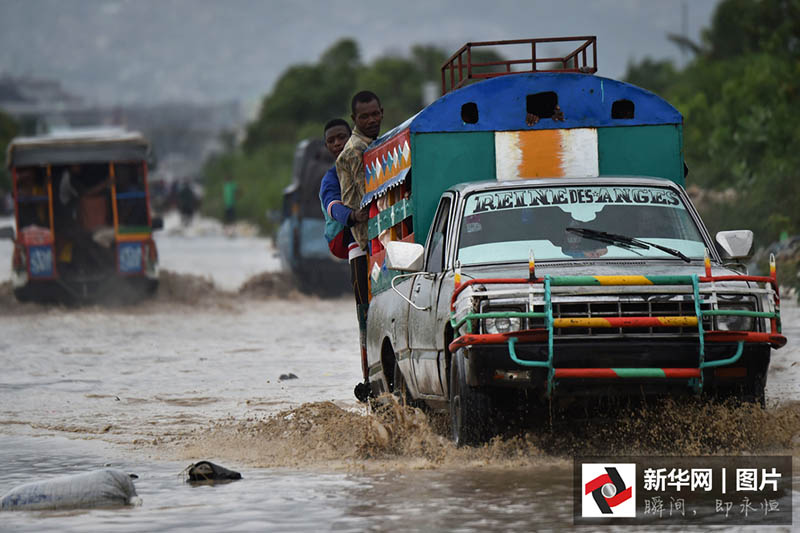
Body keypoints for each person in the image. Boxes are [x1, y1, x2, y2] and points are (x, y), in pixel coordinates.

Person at [335, 91, 384, 399]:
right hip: (367, 247)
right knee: (369, 319)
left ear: (382, 112)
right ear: (355, 119)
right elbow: (360, 205)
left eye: (375, 114)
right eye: (364, 116)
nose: (371, 120)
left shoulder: (374, 146)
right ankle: (370, 380)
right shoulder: (354, 152)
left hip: (376, 244)